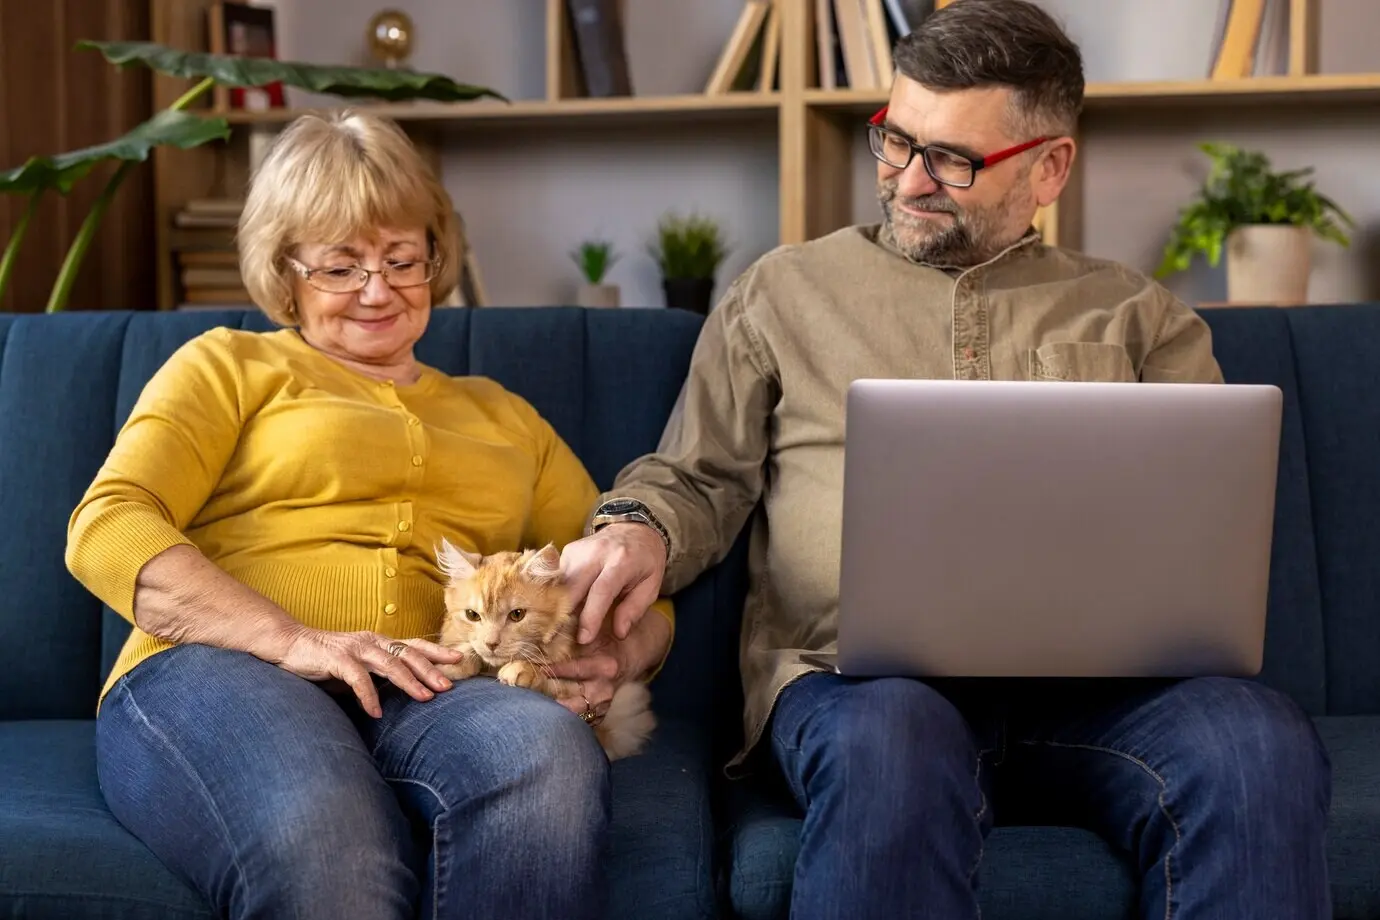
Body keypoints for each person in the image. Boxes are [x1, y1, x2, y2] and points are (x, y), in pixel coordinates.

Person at [559, 1, 1332, 917]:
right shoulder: (782, 293)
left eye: (954, 160)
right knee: (895, 737)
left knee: (1257, 744)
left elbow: (1206, 528)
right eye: (896, 140)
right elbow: (696, 477)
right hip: (857, 688)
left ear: (1049, 168)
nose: (909, 180)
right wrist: (635, 528)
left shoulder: (1138, 318)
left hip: (1099, 698)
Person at [65, 109, 673, 920]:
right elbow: (108, 523)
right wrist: (295, 640)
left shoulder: (506, 418)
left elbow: (633, 587)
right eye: (341, 267)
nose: (378, 291)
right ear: (286, 273)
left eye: (400, 260)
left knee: (546, 756)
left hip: (434, 689)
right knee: (327, 839)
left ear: (435, 257)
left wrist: (617, 656)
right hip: (224, 673)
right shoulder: (229, 366)